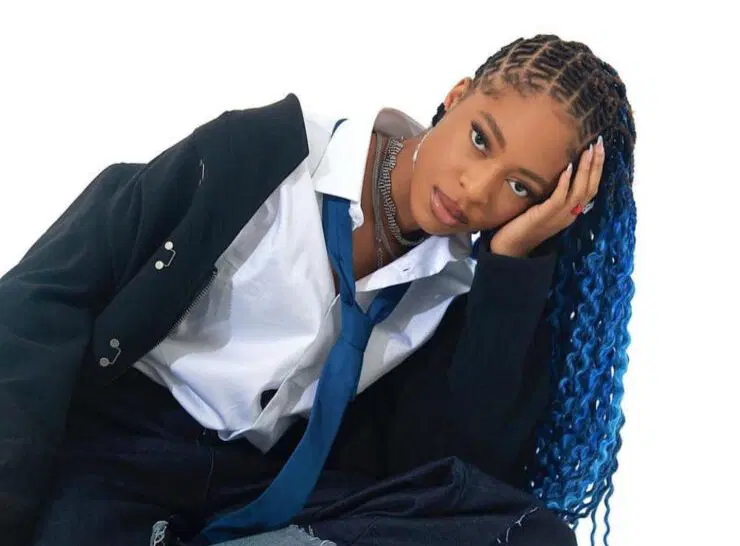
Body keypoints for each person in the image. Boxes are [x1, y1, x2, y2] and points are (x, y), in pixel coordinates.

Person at [0, 33, 636, 546]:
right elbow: (46, 296)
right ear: (458, 95)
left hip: (264, 484)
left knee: (529, 536)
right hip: (124, 450)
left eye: (520, 187)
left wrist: (509, 265)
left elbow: (453, 477)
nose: (476, 189)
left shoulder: (454, 286)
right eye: (479, 140)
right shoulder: (266, 153)